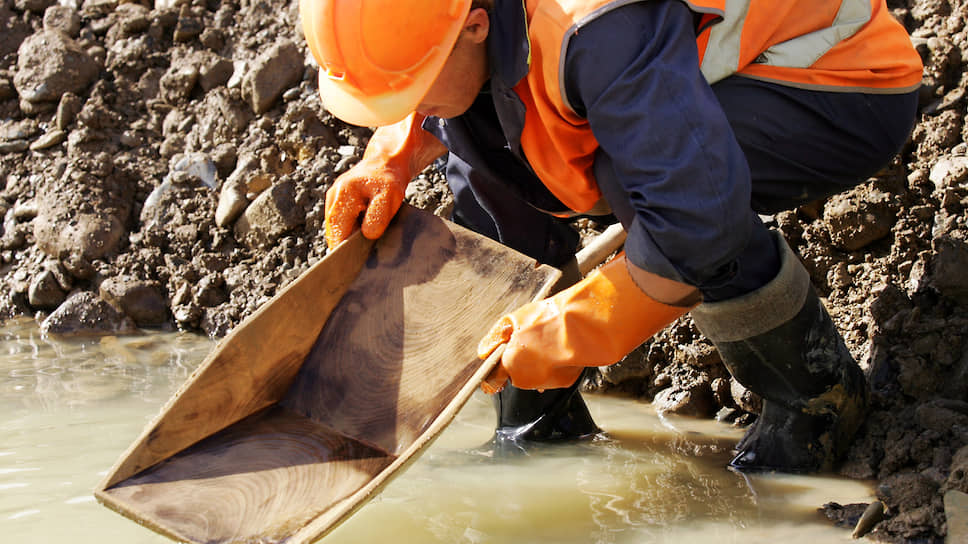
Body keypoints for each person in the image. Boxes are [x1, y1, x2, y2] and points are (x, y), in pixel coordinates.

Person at [299, 0, 922, 472]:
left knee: (643, 183)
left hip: (834, 80)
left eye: (410, 91)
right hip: (671, 76)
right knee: (478, 146)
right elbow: (440, 69)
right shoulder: (464, 23)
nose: (405, 107)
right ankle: (537, 415)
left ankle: (815, 396)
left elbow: (694, 219)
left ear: (477, 25)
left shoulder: (596, 24)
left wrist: (571, 331)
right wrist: (393, 156)